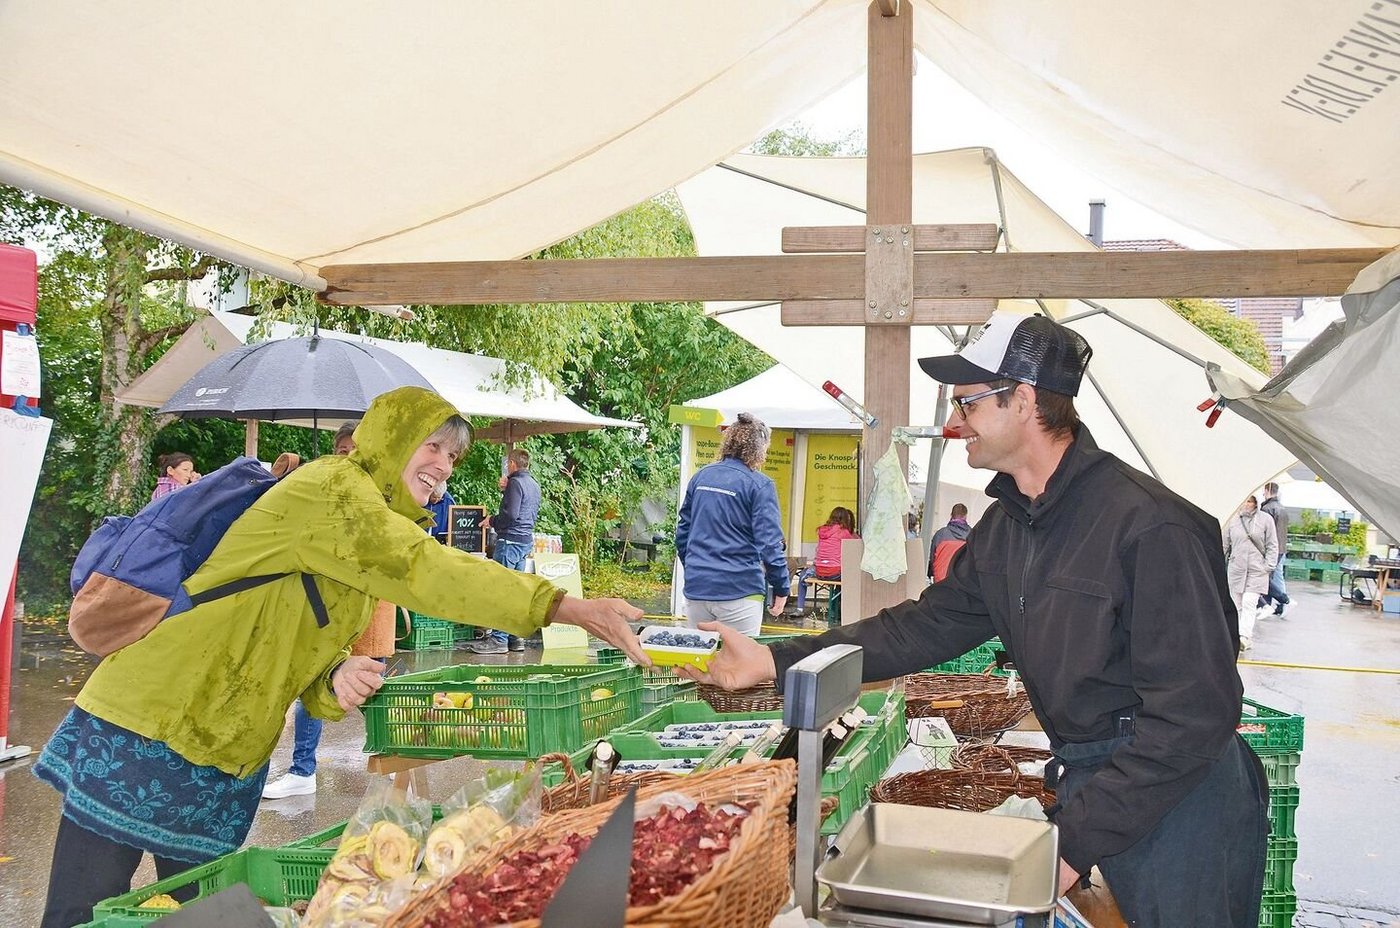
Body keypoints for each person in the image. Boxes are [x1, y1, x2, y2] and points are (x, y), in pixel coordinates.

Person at [684, 312, 1268, 928]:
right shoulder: (1010, 527)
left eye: (967, 403)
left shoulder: (1152, 527)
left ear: (1024, 401)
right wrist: (775, 660)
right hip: (1094, 776)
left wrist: (1072, 844)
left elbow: (1193, 718)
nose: (952, 424)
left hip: (1181, 795)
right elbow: (919, 627)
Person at [34, 387, 648, 928]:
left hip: (224, 753)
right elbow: (425, 568)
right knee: (82, 907)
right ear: (391, 437)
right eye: (430, 445)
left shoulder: (367, 529)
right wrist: (564, 606)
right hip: (150, 722)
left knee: (208, 912)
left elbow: (299, 652)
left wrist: (334, 677)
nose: (443, 464)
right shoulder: (334, 489)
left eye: (454, 456)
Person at [263, 421, 380, 801]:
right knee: (313, 683)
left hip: (367, 608)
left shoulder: (382, 499)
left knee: (371, 687)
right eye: (343, 451)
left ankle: (392, 757)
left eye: (357, 452)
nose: (350, 459)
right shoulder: (319, 490)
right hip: (324, 612)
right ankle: (302, 769)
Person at [675, 412, 790, 637]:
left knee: (700, 663)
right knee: (741, 665)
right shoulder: (760, 485)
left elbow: (683, 534)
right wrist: (782, 587)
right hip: (740, 590)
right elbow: (769, 543)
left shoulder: (701, 477)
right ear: (759, 448)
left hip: (698, 589)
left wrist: (696, 569)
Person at [471, 448, 542, 654]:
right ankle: (515, 637)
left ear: (512, 464)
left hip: (509, 541)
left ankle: (499, 640)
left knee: (502, 588)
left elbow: (510, 514)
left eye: (507, 463)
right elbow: (525, 510)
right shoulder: (533, 485)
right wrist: (505, 491)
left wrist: (492, 520)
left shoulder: (515, 483)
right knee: (516, 590)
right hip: (525, 541)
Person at [1223, 495, 1279, 652]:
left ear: (1256, 503)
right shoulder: (1233, 520)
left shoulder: (1265, 520)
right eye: (1245, 501)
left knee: (1249, 602)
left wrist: (1268, 566)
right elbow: (1225, 544)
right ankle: (1236, 634)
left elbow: (1272, 544)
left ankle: (1245, 636)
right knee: (1236, 604)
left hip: (1257, 569)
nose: (1247, 504)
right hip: (1237, 568)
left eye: (1250, 501)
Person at [794, 507, 856, 620]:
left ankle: (799, 608)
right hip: (835, 573)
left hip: (819, 571)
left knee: (803, 574)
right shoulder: (844, 533)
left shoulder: (822, 530)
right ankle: (839, 612)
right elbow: (855, 545)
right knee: (851, 577)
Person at [1258, 481, 1291, 617]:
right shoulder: (1282, 509)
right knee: (1277, 576)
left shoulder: (1267, 509)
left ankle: (1275, 602)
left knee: (1265, 577)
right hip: (1281, 547)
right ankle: (1281, 605)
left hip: (1271, 548)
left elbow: (1264, 530)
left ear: (1266, 491)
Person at [929, 502, 972, 581]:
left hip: (940, 581)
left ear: (951, 515)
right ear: (965, 516)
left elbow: (932, 559)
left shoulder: (940, 534)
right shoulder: (972, 536)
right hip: (962, 583)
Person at [426, 480, 456, 544]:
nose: (436, 500)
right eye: (434, 497)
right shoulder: (421, 498)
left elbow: (453, 524)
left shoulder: (449, 501)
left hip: (439, 541)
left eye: (439, 498)